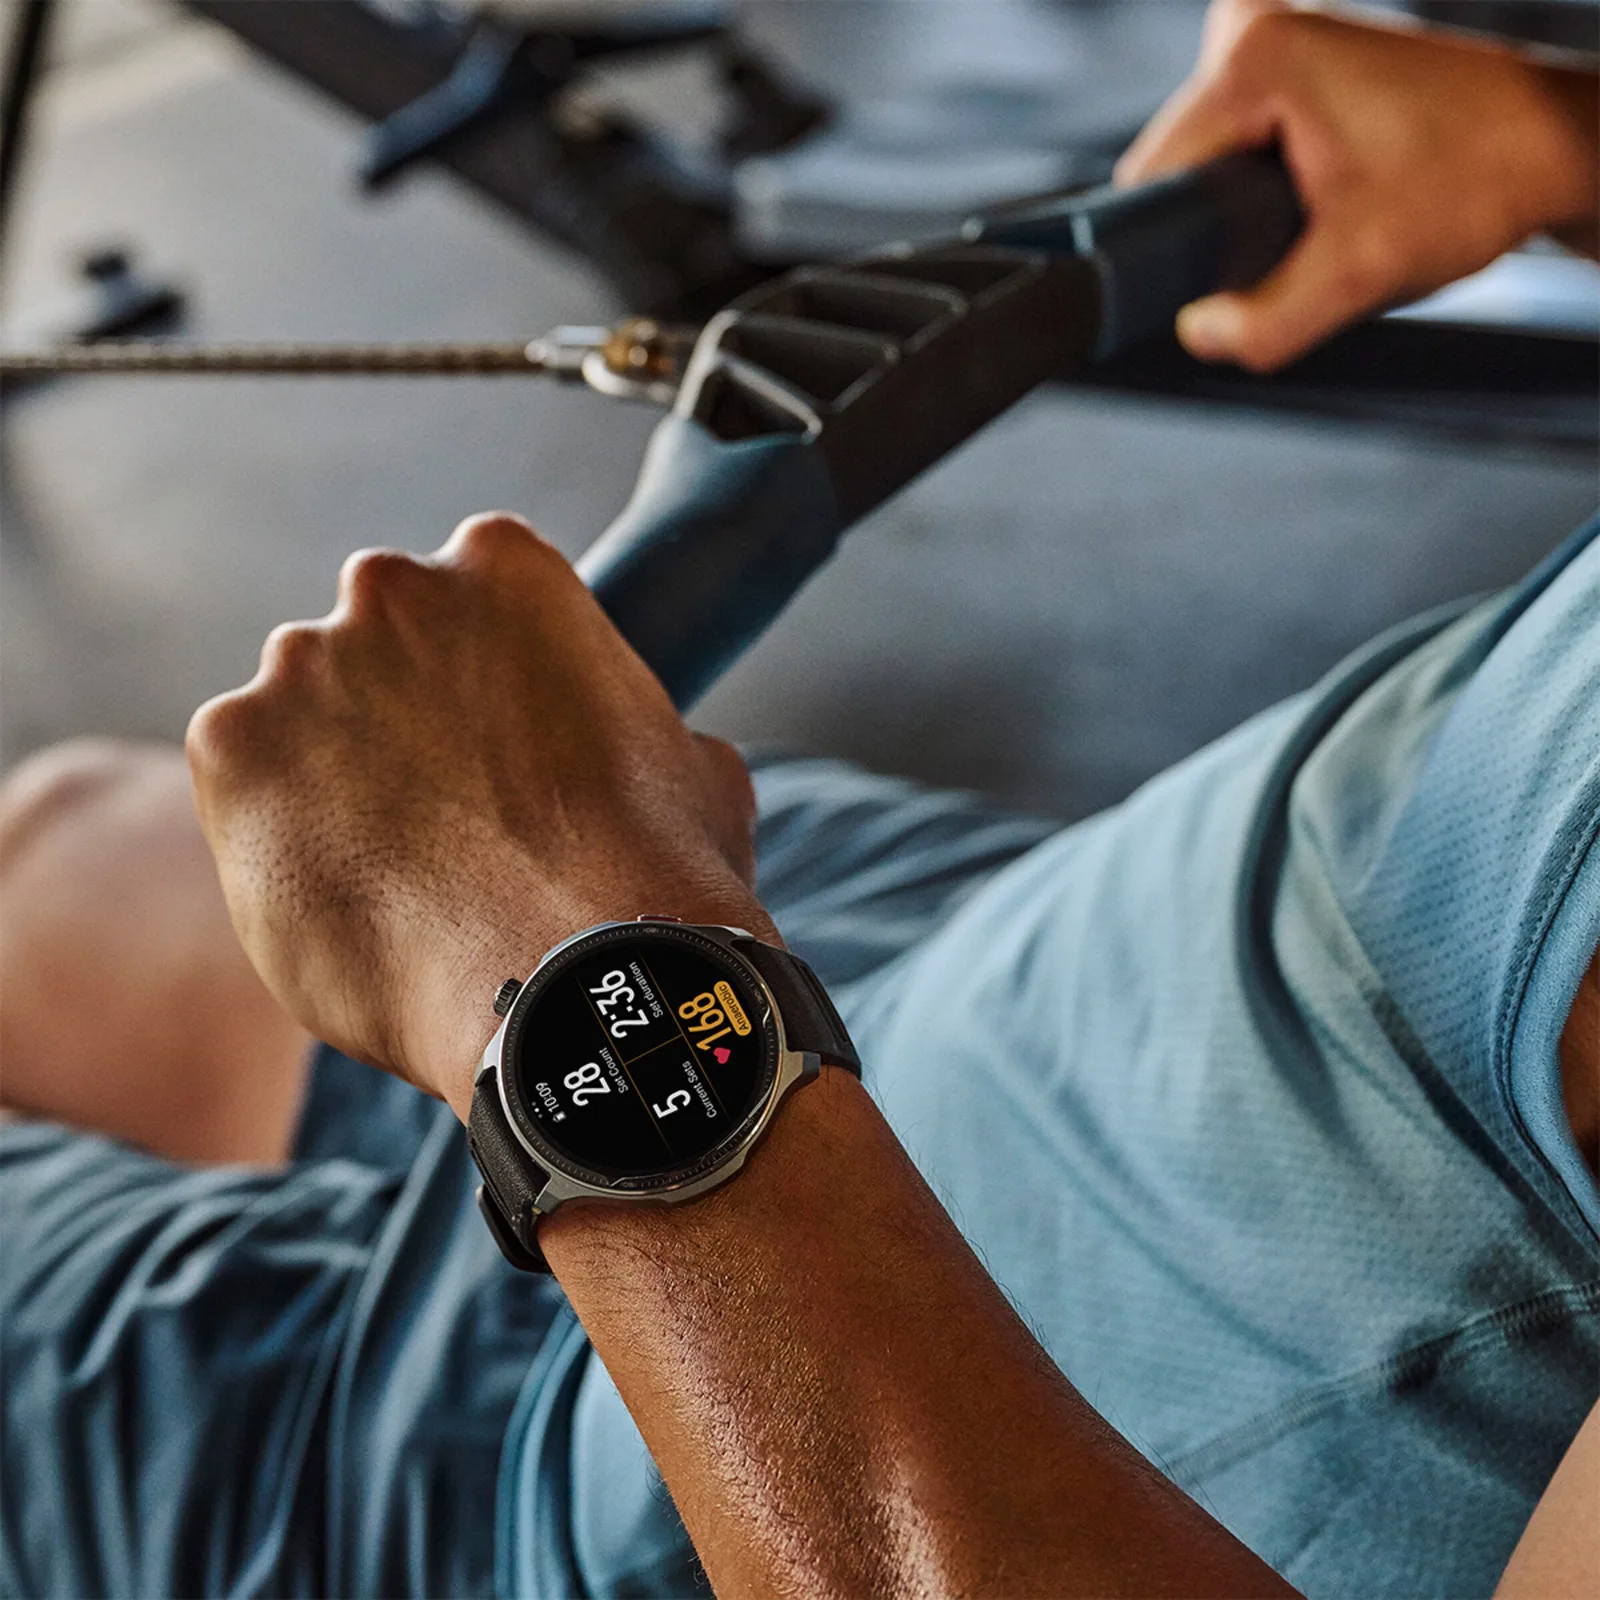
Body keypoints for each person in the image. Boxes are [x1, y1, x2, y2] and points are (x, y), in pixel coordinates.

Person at [2, 1, 1597, 1594]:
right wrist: (1560, 138)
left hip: (675, 1467)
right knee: (56, 851)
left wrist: (551, 933)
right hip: (1048, 986)